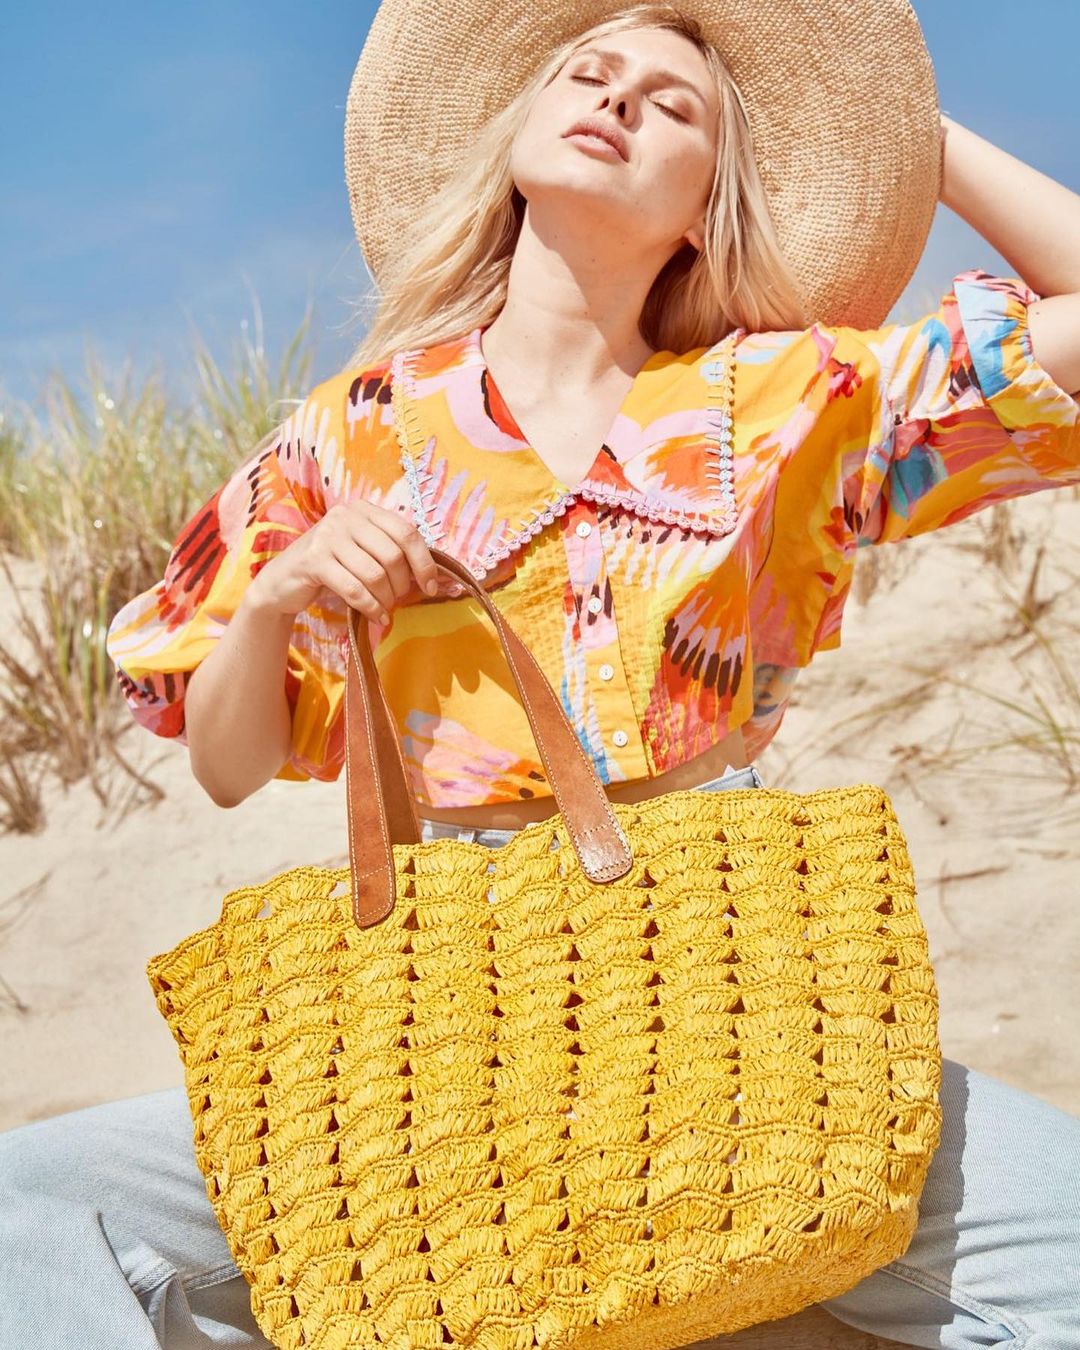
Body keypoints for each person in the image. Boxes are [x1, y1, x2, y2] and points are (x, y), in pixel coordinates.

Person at [3, 2, 1079, 1346]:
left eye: (674, 105)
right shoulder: (348, 434)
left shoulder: (784, 398)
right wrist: (277, 594)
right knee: (28, 1206)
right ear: (517, 133)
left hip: (732, 989)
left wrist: (910, 137)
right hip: (434, 1022)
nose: (618, 99)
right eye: (587, 73)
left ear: (708, 208)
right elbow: (226, 765)